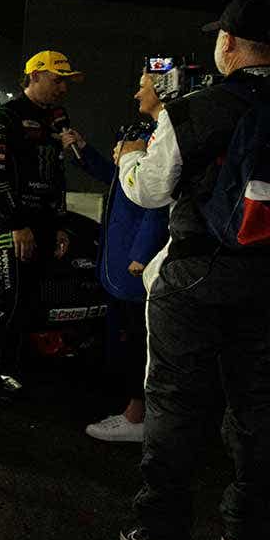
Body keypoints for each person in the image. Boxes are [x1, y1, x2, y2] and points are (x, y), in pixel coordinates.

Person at [116, 0, 270, 540]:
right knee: (258, 408)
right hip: (264, 282)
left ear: (227, 43)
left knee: (176, 405)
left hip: (196, 275)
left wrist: (130, 157)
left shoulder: (198, 108)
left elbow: (150, 190)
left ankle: (159, 535)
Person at [60, 70, 170, 442]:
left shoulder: (163, 139)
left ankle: (138, 417)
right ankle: (133, 409)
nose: (136, 93)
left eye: (143, 86)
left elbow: (159, 200)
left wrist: (142, 252)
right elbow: (119, 178)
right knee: (124, 337)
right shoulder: (149, 134)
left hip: (135, 266)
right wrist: (84, 152)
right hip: (121, 261)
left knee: (137, 338)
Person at [0, 50, 83, 401]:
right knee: (7, 298)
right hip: (11, 224)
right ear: (34, 76)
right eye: (58, 80)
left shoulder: (56, 121)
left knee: (28, 302)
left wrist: (61, 224)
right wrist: (17, 223)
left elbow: (57, 177)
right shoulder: (3, 117)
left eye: (67, 82)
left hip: (45, 224)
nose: (64, 88)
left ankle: (10, 367)